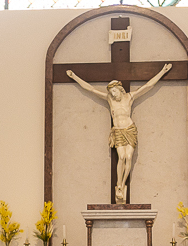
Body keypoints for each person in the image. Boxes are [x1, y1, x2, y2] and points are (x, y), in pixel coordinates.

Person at [66, 62, 172, 203]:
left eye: (114, 91)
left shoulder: (130, 97)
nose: (113, 94)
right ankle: (119, 185)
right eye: (111, 93)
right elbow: (91, 89)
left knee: (129, 157)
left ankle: (122, 183)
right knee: (121, 157)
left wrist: (162, 72)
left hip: (129, 129)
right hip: (118, 131)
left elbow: (147, 86)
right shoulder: (110, 100)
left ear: (120, 89)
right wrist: (75, 77)